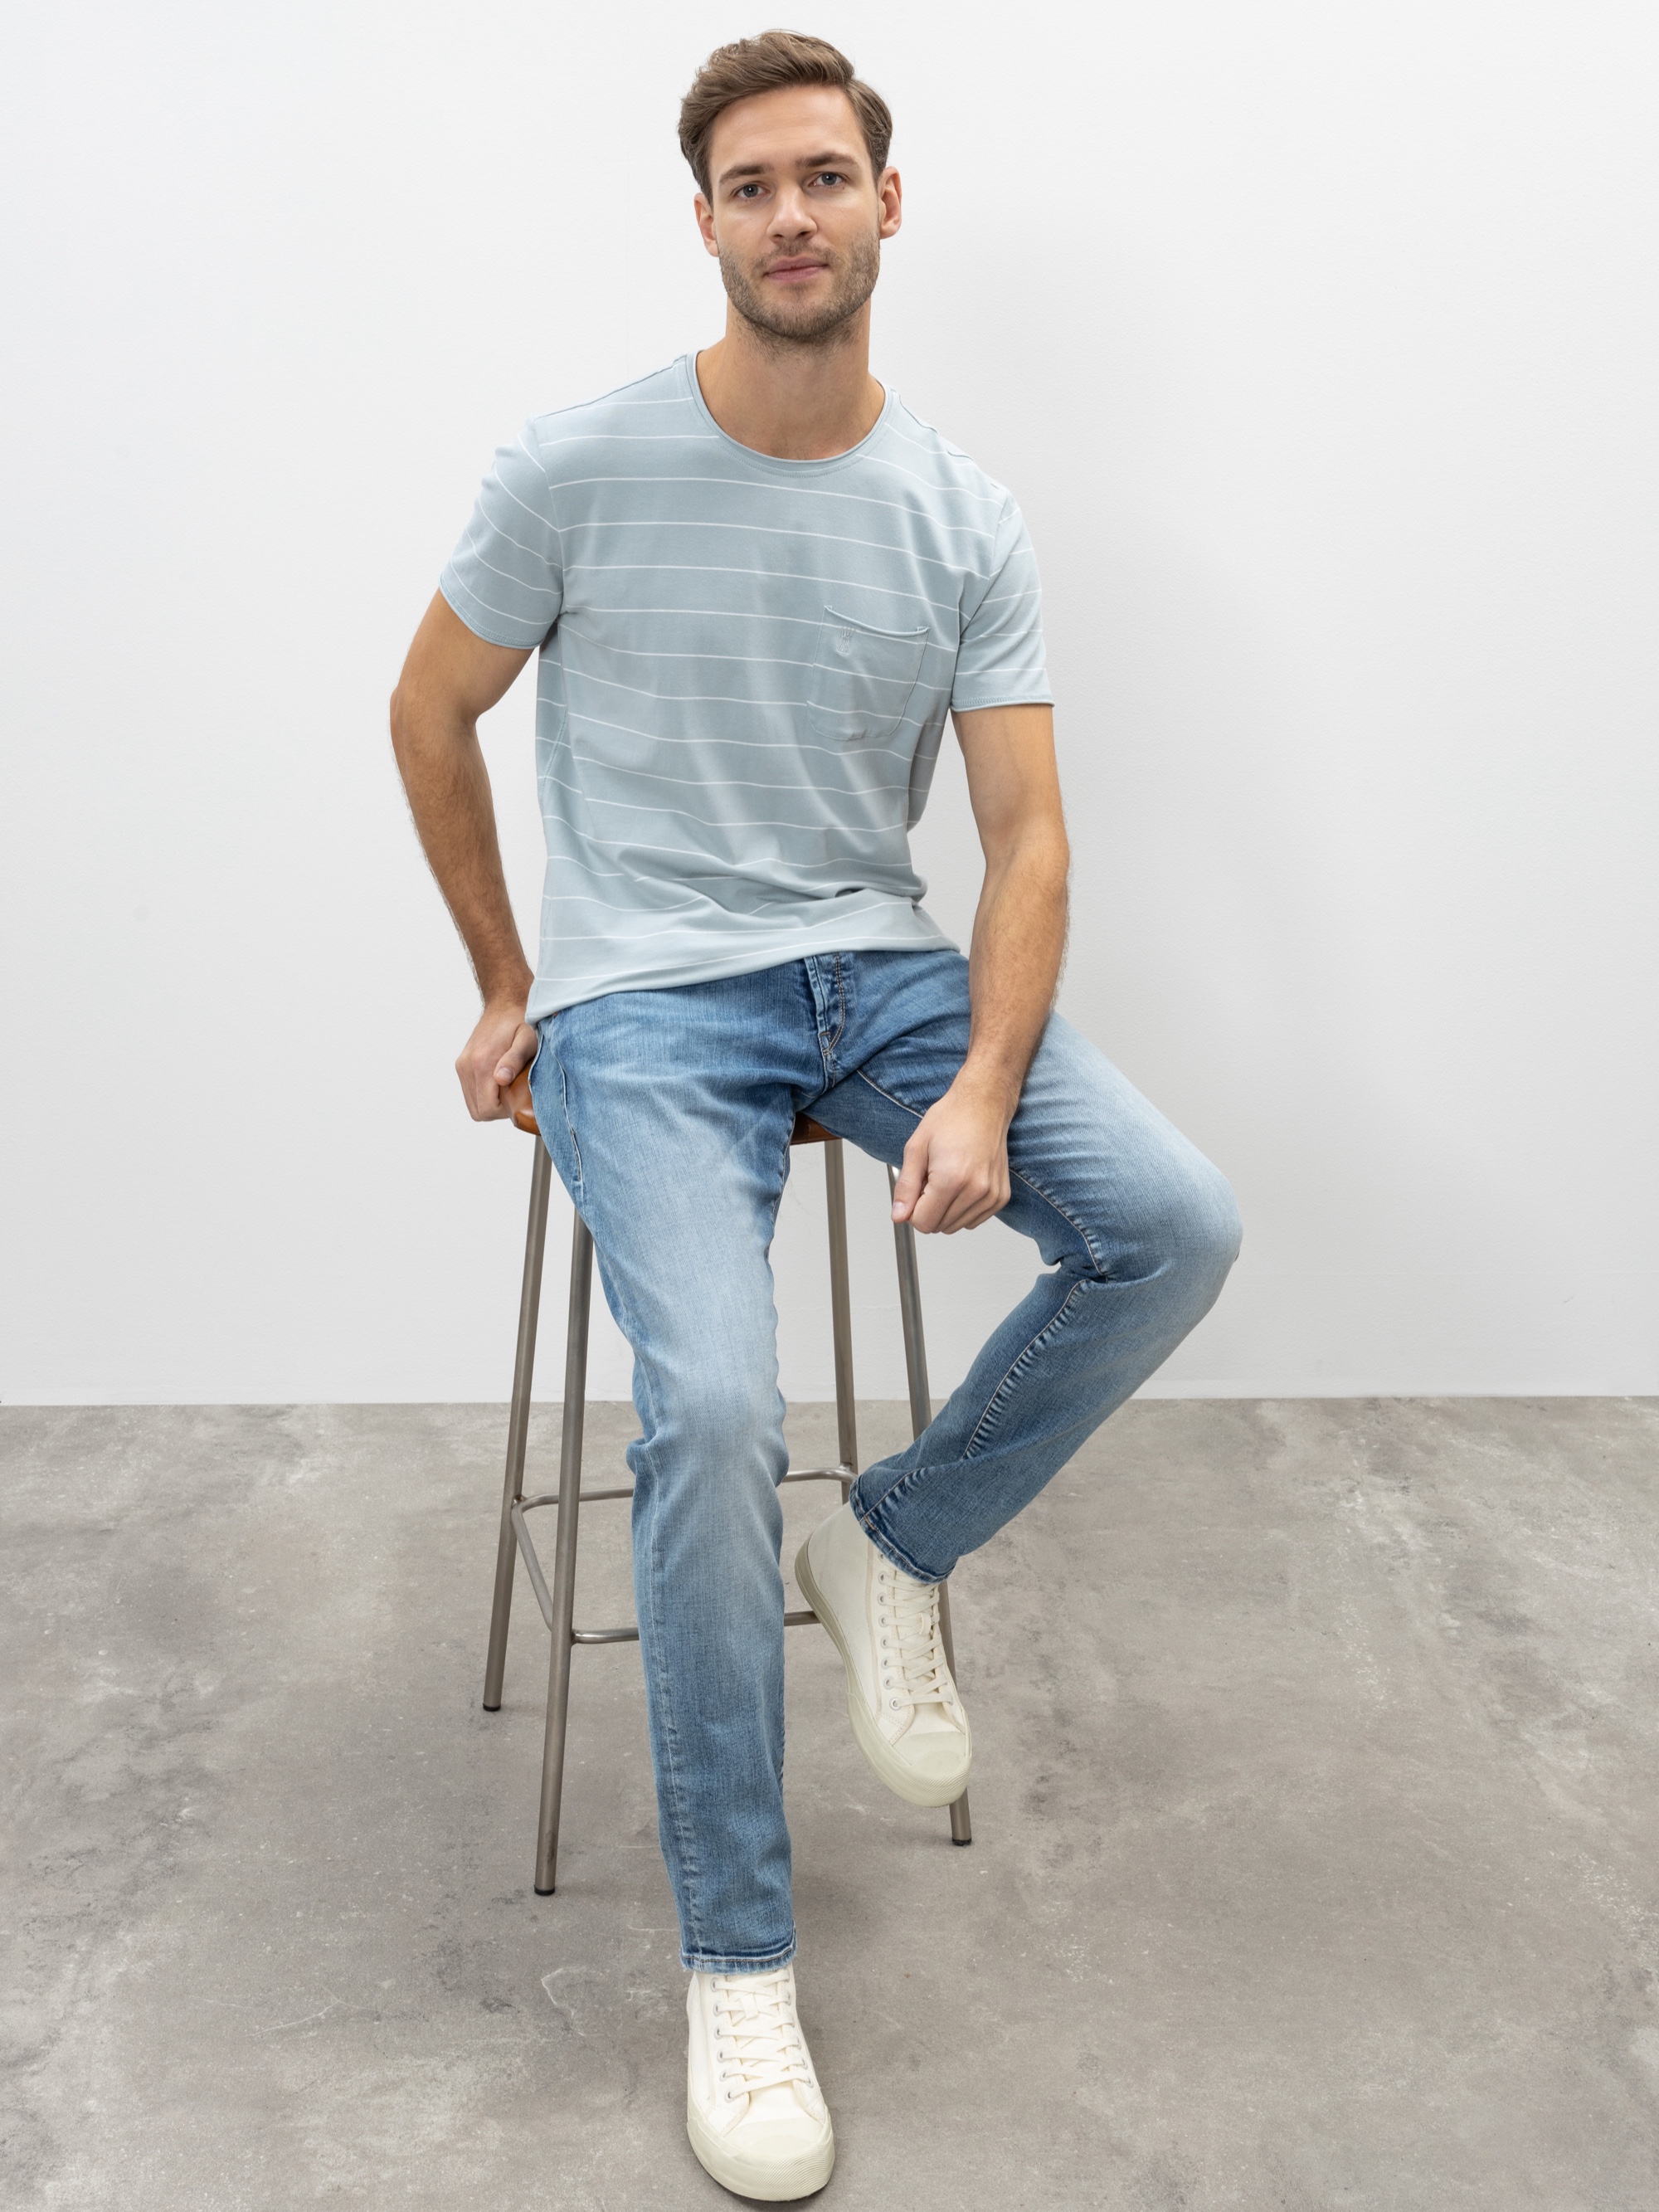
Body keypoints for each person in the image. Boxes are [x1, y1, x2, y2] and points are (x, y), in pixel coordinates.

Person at [390, 29, 1240, 2200]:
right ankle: (742, 1963)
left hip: (871, 977)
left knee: (1175, 1218)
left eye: (825, 177)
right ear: (706, 223)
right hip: (645, 1007)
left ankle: (889, 1534)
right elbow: (431, 706)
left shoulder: (959, 505)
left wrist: (976, 1074)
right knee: (702, 1410)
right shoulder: (578, 463)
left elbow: (1029, 839)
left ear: (887, 205)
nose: (792, 213)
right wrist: (511, 979)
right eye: (752, 183)